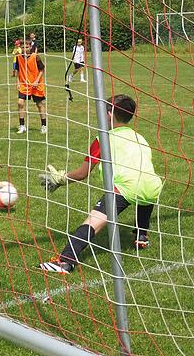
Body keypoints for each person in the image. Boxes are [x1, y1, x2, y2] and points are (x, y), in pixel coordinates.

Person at [38, 94, 162, 274]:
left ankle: (65, 261)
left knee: (93, 222)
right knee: (143, 190)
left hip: (126, 188)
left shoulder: (103, 139)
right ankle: (141, 235)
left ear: (110, 114)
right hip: (153, 187)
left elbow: (82, 173)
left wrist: (61, 178)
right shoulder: (139, 137)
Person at [14, 40, 47, 134]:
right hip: (24, 84)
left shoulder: (35, 56)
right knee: (20, 103)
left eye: (27, 47)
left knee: (39, 104)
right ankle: (22, 126)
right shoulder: (18, 57)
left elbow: (42, 70)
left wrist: (37, 81)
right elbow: (18, 70)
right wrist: (18, 82)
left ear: (30, 47)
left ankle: (44, 126)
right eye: (23, 47)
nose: (25, 49)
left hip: (36, 84)